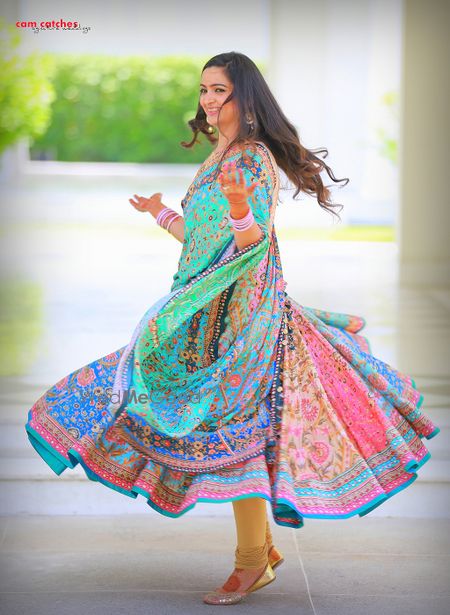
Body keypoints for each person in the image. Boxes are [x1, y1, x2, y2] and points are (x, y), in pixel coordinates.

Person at [24, 51, 441, 607]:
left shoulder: (252, 160)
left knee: (235, 432)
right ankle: (261, 550)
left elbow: (248, 242)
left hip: (246, 324)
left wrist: (243, 210)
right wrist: (162, 215)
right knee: (213, 423)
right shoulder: (219, 154)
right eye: (203, 91)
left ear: (246, 97)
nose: (209, 101)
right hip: (207, 316)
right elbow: (205, 243)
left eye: (220, 90)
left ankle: (250, 564)